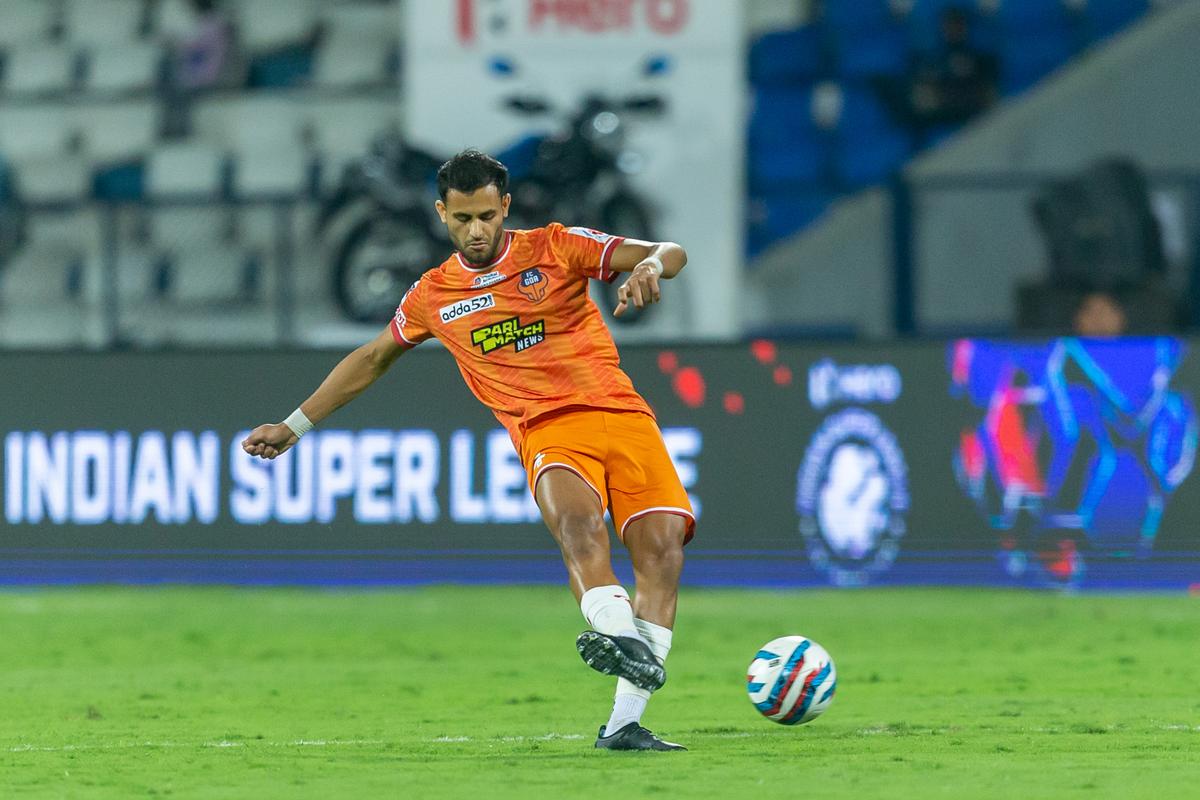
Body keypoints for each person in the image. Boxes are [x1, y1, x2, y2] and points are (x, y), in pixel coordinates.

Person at [242, 149, 693, 752]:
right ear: (441, 214)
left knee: (661, 552)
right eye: (461, 219)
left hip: (624, 415)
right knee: (579, 528)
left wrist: (652, 270)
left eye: (486, 215)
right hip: (548, 428)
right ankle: (621, 636)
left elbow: (670, 250)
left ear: (505, 205)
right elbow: (372, 358)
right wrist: (294, 425)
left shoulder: (557, 246)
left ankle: (623, 724)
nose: (476, 231)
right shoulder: (434, 294)